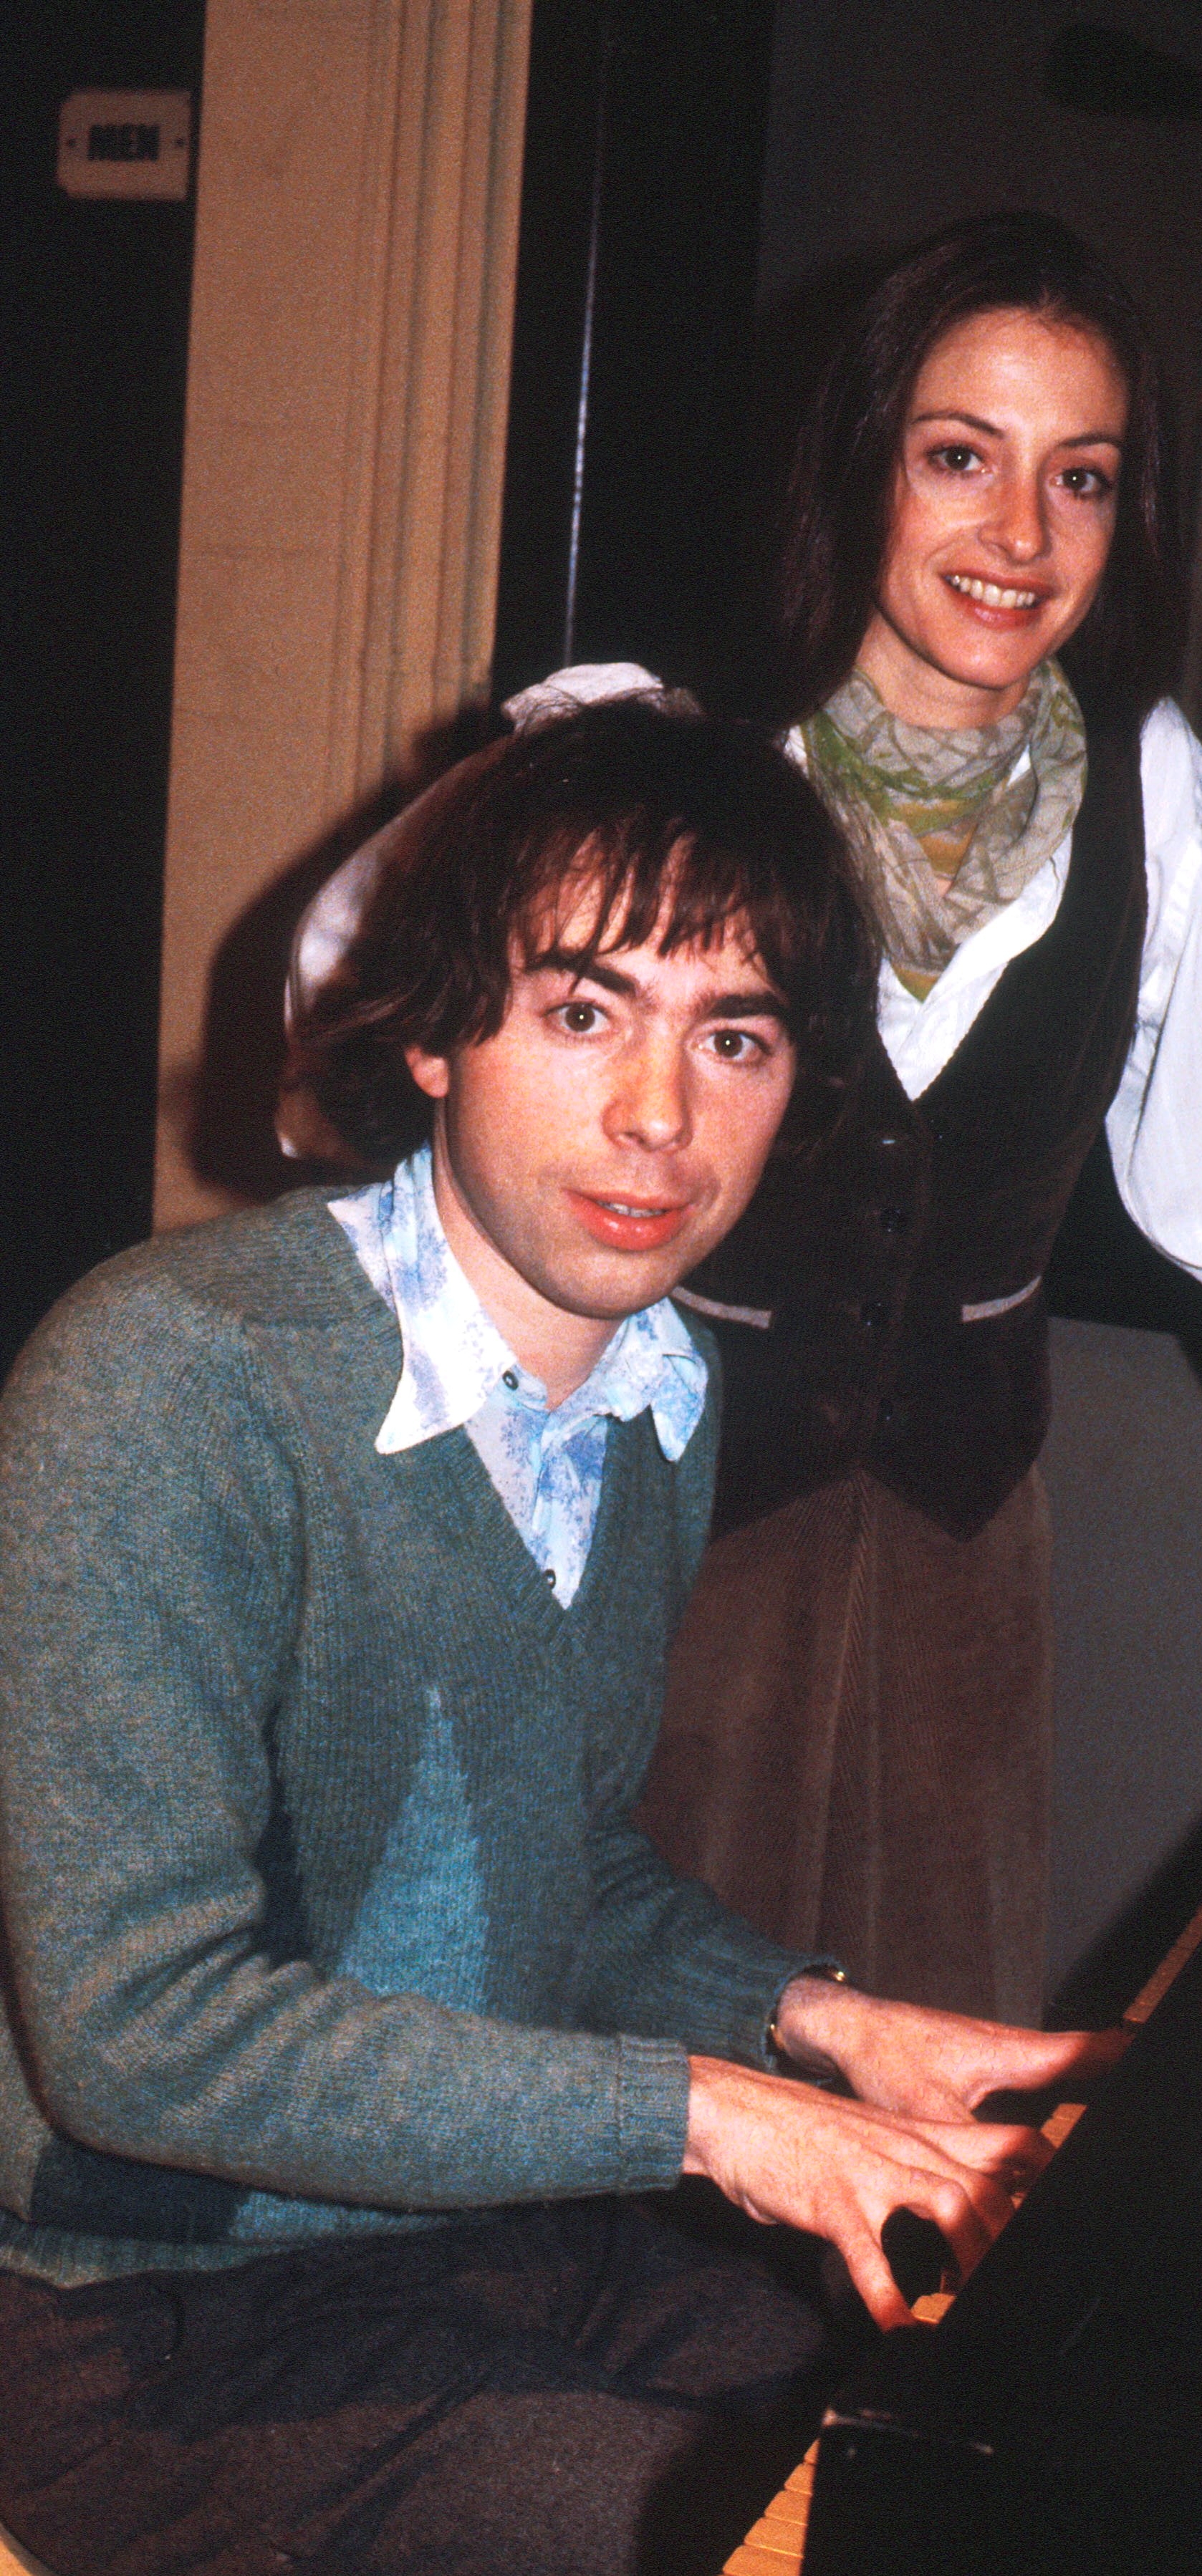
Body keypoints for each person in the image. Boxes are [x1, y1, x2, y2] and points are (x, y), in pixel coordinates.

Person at [290, 213, 1202, 2030]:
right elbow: (357, 981)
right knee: (623, 2020)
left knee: (925, 2033)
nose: (1021, 535)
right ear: (863, 467)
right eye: (960, 458)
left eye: (1082, 477)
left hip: (959, 1538)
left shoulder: (1147, 786)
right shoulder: (666, 745)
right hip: (645, 1512)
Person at [0, 698, 1117, 2576]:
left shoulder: (655, 1399)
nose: (660, 1115)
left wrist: (824, 2024)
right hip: (136, 2323)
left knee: (990, 2459)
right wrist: (712, 2117)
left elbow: (554, 1873)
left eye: (734, 1036)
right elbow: (136, 2033)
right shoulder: (170, 1379)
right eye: (586, 1011)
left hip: (475, 2241)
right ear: (434, 1029)